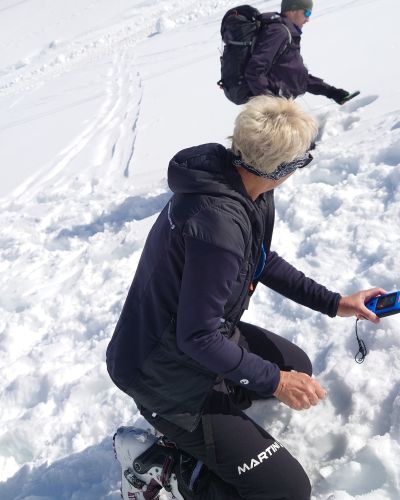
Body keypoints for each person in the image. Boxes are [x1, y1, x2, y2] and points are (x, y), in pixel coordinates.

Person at [106, 96, 382, 500]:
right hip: (162, 372)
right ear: (282, 168)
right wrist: (276, 381)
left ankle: (213, 418)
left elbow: (258, 259)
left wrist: (335, 302)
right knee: (287, 491)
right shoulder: (216, 225)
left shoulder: (239, 183)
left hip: (188, 340)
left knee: (296, 364)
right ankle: (165, 465)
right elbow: (197, 338)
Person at [244, 0, 353, 104]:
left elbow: (297, 77)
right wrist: (270, 102)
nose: (308, 19)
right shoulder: (279, 32)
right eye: (306, 12)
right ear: (292, 10)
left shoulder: (287, 34)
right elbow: (254, 70)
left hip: (280, 102)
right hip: (273, 107)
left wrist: (331, 92)